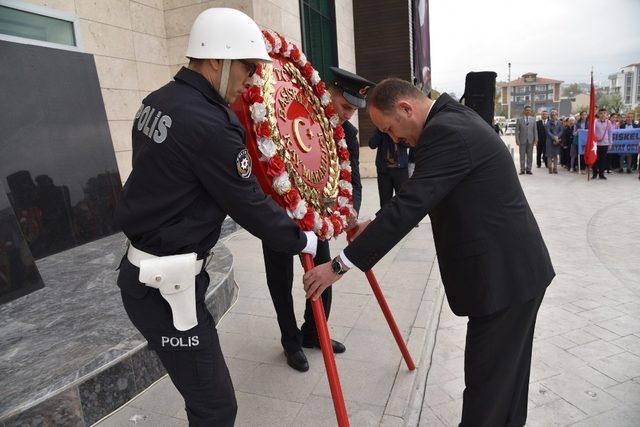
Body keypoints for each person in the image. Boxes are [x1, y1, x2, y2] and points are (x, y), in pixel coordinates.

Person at [303, 78, 554, 427]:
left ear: (407, 108)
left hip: (505, 278)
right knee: (504, 384)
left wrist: (338, 266)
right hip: (515, 273)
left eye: (391, 129)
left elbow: (410, 205)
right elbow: (425, 191)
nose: (393, 139)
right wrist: (373, 223)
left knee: (486, 388)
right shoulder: (452, 120)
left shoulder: (446, 131)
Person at [114, 9, 318, 425]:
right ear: (215, 59)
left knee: (205, 397)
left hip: (149, 274)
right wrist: (301, 239)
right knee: (215, 406)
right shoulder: (209, 123)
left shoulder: (158, 101)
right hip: (166, 289)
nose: (250, 79)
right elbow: (248, 204)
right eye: (246, 67)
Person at [260, 66, 372, 372]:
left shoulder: (346, 134)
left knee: (322, 279)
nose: (348, 114)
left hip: (316, 221)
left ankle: (314, 334)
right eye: (345, 106)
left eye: (353, 109)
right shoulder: (295, 115)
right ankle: (290, 342)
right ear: (330, 93)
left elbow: (354, 182)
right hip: (279, 217)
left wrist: (349, 214)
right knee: (280, 282)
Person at [369, 128, 410, 208]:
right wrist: (381, 130)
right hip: (384, 170)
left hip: (401, 169)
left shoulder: (401, 126)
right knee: (385, 201)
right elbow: (372, 145)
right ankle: (386, 220)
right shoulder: (380, 128)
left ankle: (402, 220)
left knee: (403, 199)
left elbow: (409, 144)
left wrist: (397, 137)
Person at [515, 105, 537, 174]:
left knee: (530, 156)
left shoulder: (533, 119)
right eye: (527, 110)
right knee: (522, 156)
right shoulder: (519, 119)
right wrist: (517, 140)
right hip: (522, 140)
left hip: (531, 140)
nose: (528, 111)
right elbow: (516, 131)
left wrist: (536, 140)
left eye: (529, 110)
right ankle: (522, 169)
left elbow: (535, 130)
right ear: (524, 111)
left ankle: (528, 169)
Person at [592, 108, 612, 180]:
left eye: (604, 113)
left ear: (606, 114)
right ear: (598, 114)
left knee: (603, 160)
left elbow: (610, 133)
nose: (603, 115)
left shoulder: (608, 122)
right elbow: (592, 132)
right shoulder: (595, 122)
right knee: (595, 159)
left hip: (605, 144)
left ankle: (601, 174)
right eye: (601, 113)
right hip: (596, 144)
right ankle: (594, 173)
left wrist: (610, 143)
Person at [545, 109, 563, 174]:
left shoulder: (559, 122)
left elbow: (561, 130)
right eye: (552, 114)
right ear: (551, 115)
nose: (554, 116)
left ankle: (555, 168)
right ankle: (550, 168)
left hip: (557, 140)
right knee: (549, 155)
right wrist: (553, 137)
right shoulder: (548, 122)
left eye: (555, 114)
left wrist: (557, 137)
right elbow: (548, 131)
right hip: (550, 141)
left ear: (557, 115)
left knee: (555, 155)